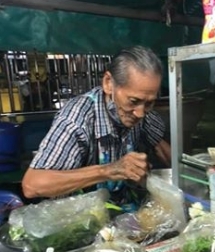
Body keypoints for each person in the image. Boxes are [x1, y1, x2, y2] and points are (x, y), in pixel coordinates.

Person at [22, 46, 171, 203]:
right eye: (133, 101)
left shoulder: (141, 113)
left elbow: (161, 147)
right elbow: (32, 185)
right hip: (78, 217)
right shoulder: (77, 119)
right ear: (108, 83)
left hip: (120, 211)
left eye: (149, 103)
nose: (140, 113)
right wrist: (108, 170)